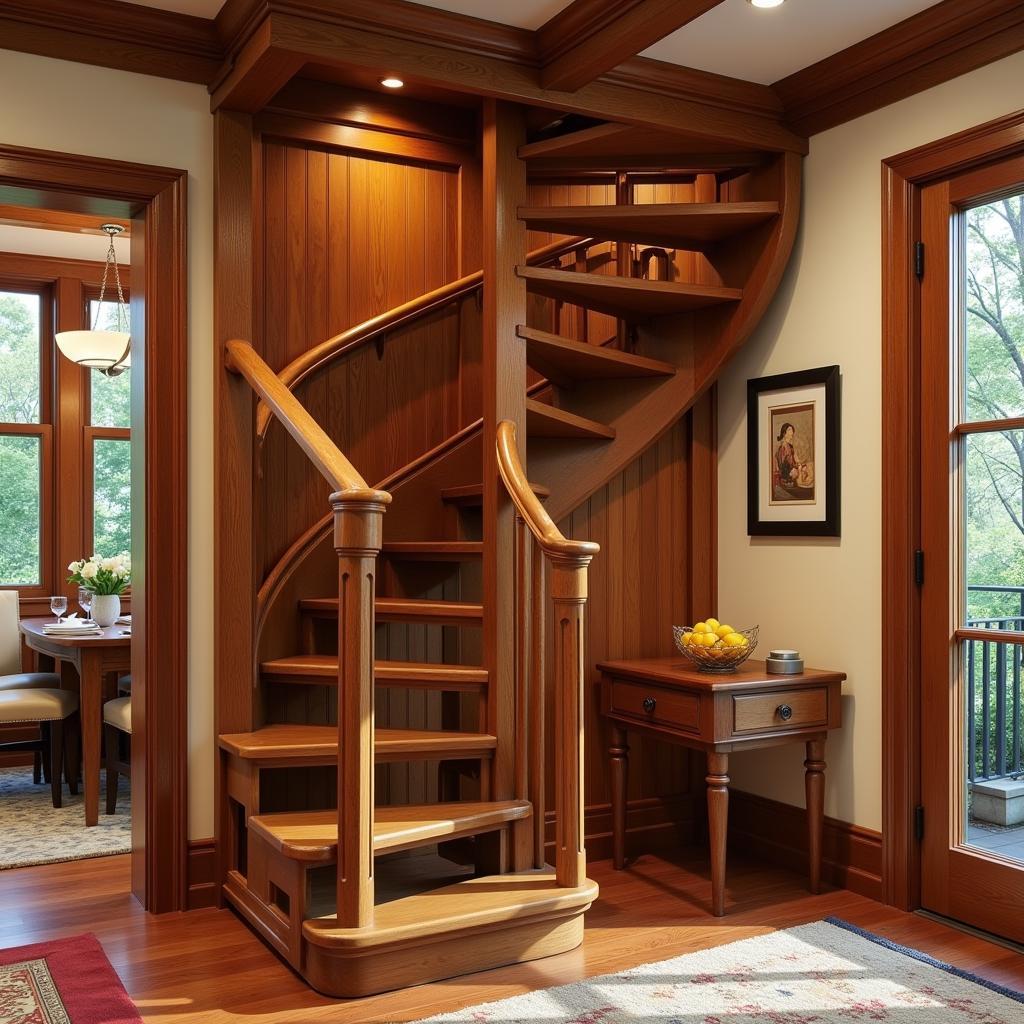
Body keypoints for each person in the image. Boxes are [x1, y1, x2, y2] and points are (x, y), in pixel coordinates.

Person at [773, 422, 803, 489]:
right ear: (784, 433)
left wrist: (798, 464)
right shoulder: (784, 446)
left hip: (791, 469)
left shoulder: (790, 446)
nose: (792, 432)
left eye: (792, 430)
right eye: (789, 430)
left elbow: (795, 459)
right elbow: (783, 465)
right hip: (787, 473)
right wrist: (796, 467)